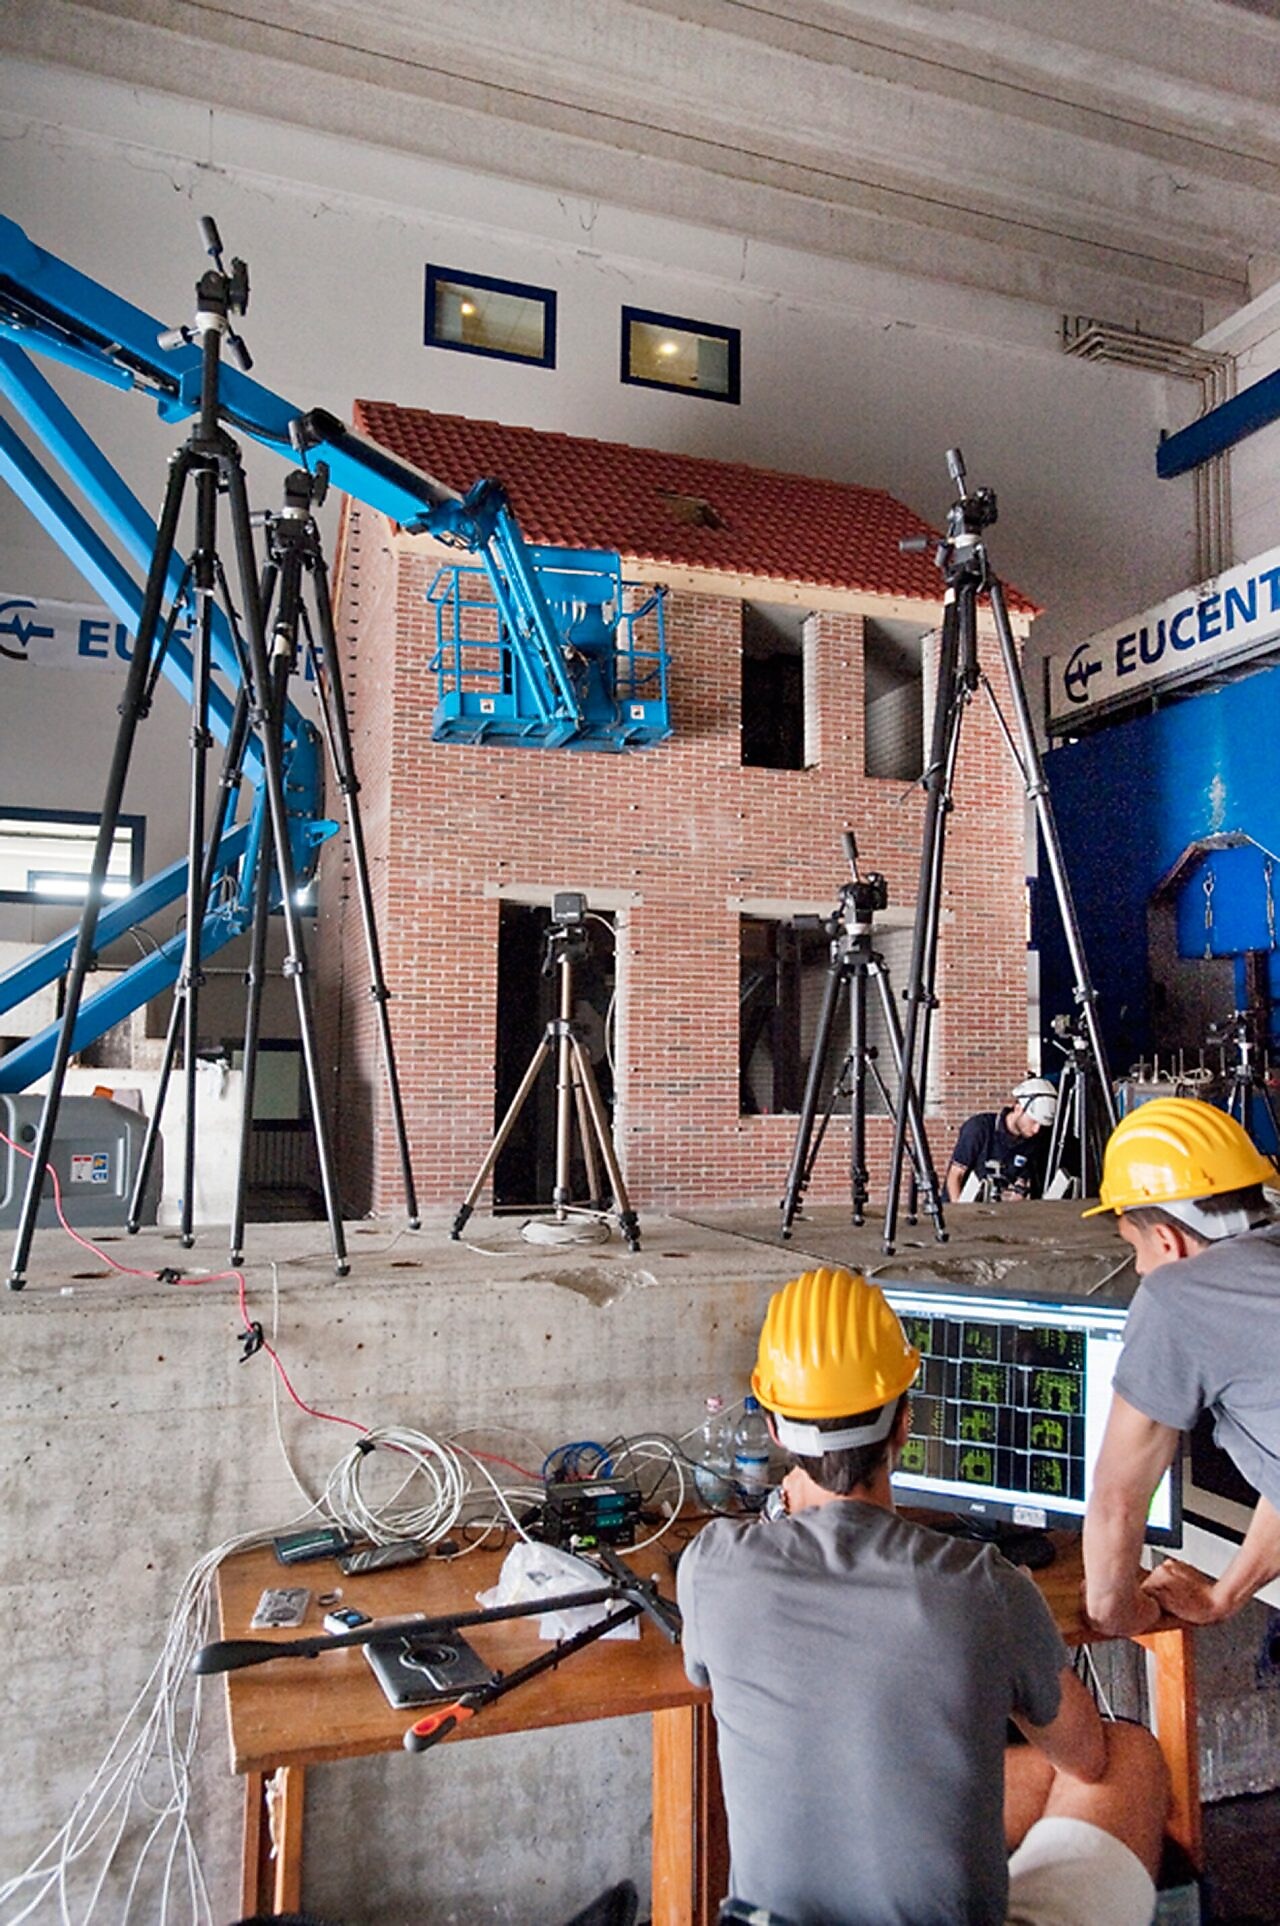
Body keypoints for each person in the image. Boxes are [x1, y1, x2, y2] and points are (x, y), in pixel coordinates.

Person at [676, 1265, 1169, 1926]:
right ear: (905, 1423)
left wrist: (777, 1518)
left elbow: (709, 1664)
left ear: (772, 1427)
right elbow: (1085, 1756)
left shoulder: (712, 1569)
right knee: (1126, 1757)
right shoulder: (987, 1587)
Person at [1081, 1097, 1280, 1635]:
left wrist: (1118, 1612)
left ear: (1166, 1239)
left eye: (1135, 1249)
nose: (1141, 1269)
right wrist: (1223, 1596)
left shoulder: (1179, 1293)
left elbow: (1118, 1499)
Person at [945, 1077, 1058, 1202]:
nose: (1036, 1129)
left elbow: (1024, 1180)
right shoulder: (978, 1129)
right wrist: (959, 1214)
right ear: (1018, 1108)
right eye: (1033, 1121)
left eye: (1041, 1125)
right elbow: (955, 1176)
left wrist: (1020, 1191)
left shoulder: (1034, 1141)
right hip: (964, 1208)